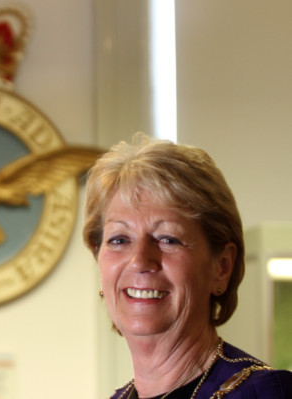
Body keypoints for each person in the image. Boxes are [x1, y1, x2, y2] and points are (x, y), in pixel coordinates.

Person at [83, 133, 292, 398]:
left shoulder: (264, 393)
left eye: (168, 239)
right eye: (119, 239)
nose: (139, 261)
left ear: (222, 267)